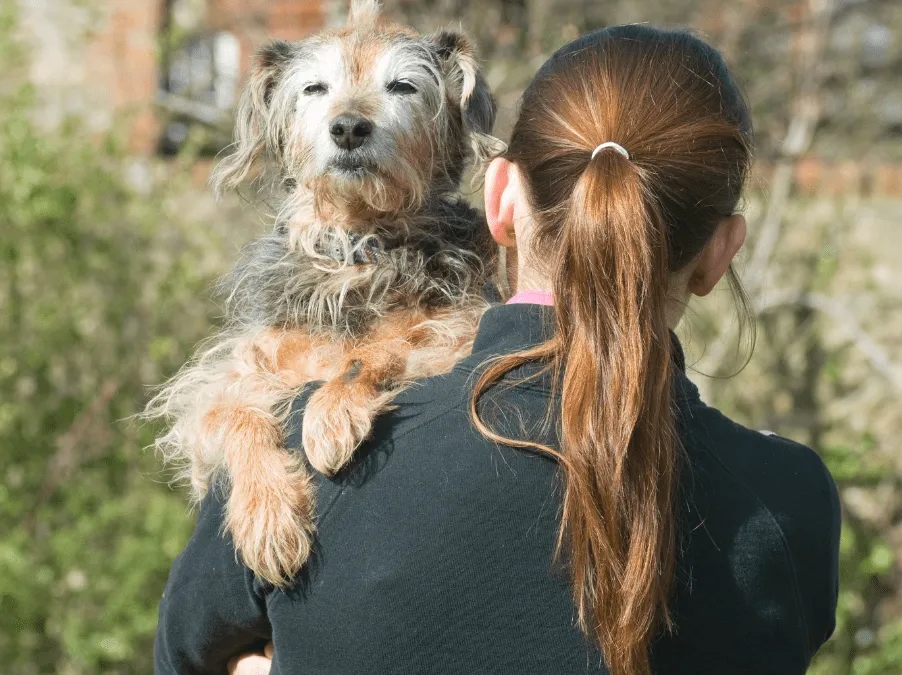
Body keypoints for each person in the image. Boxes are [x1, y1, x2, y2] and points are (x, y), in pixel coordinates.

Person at [157, 24, 841, 675]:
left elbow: (187, 654)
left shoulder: (304, 452)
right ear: (720, 252)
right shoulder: (786, 502)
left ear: (501, 202)